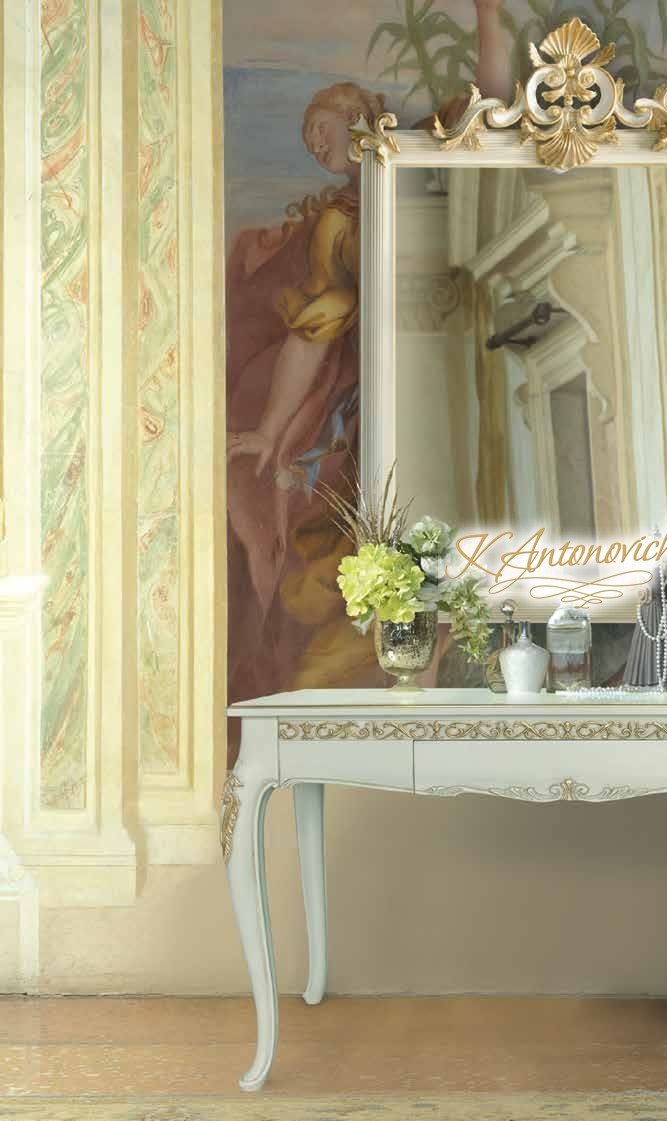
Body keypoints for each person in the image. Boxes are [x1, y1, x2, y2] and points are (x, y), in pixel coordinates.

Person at [225, 2, 511, 754]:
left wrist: (490, 18)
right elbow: (312, 334)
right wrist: (270, 430)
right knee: (405, 522)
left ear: (358, 119)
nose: (315, 144)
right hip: (393, 386)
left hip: (470, 351)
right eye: (308, 140)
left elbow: (489, 102)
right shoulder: (337, 225)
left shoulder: (418, 156)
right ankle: (413, 677)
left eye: (322, 128)